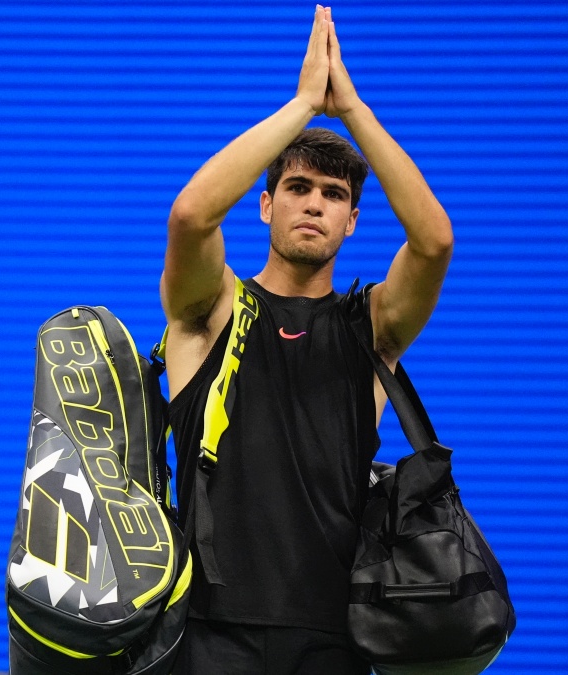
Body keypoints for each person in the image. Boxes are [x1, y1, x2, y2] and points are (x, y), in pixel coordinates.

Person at [159, 6, 452, 675]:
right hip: (208, 633)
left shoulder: (371, 326)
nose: (313, 203)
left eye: (331, 193)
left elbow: (433, 241)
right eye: (296, 187)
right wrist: (301, 107)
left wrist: (349, 109)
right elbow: (191, 213)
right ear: (266, 205)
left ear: (352, 220)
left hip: (333, 639)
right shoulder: (209, 309)